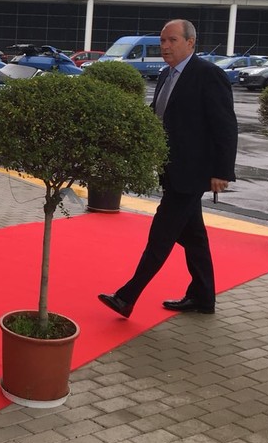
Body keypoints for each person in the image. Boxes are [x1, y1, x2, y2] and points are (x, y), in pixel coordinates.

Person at [98, 19, 237, 319]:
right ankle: (203, 297)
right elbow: (159, 116)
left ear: (190, 43)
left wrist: (222, 171)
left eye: (172, 40)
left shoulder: (208, 75)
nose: (165, 46)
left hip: (192, 173)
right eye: (162, 41)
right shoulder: (165, 75)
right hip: (171, 169)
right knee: (194, 238)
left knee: (160, 236)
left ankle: (127, 297)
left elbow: (225, 126)